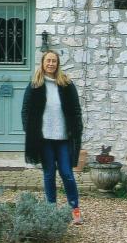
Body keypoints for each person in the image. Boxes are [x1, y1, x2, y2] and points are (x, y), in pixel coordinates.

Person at [21, 50, 83, 224]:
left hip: (63, 138)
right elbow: (25, 111)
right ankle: (51, 210)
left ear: (58, 64)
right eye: (48, 60)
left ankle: (75, 208)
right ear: (42, 63)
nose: (51, 64)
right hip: (44, 138)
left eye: (54, 61)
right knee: (49, 174)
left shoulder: (66, 84)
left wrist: (77, 129)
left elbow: (76, 110)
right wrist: (30, 131)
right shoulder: (34, 85)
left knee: (67, 173)